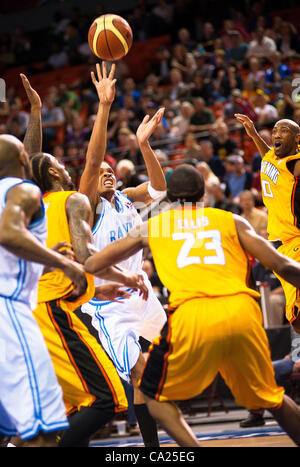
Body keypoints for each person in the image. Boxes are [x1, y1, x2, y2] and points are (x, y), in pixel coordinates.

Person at [84, 164, 300, 447]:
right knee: (271, 397)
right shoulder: (231, 220)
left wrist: (121, 278)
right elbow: (282, 264)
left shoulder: (154, 226)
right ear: (204, 196)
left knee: (148, 392)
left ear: (170, 198)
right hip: (242, 312)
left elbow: (92, 263)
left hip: (191, 315)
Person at [19, 72, 147, 448]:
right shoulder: (70, 200)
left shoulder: (27, 207)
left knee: (74, 407)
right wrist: (125, 280)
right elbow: (85, 256)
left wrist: (37, 111)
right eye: (59, 162)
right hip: (51, 309)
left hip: (37, 309)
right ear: (58, 173)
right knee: (108, 399)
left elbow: (26, 162)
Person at [78, 62, 167, 447]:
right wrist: (104, 107)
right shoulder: (89, 204)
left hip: (143, 293)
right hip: (109, 304)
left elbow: (161, 190)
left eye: (112, 171)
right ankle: (152, 448)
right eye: (103, 172)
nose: (108, 172)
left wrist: (144, 145)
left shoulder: (126, 199)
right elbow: (93, 161)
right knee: (136, 375)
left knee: (165, 366)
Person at [0, 134, 87, 447]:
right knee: (43, 432)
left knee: (8, 431)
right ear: (24, 159)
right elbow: (8, 233)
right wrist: (65, 265)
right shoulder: (23, 190)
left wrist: (46, 259)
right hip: (10, 313)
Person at [235, 114, 300, 333]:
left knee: (297, 312)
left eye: (284, 131)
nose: (276, 135)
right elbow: (267, 158)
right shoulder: (273, 157)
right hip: (282, 243)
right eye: (274, 131)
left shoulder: (295, 163)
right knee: (294, 315)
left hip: (296, 241)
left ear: (297, 139)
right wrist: (253, 134)